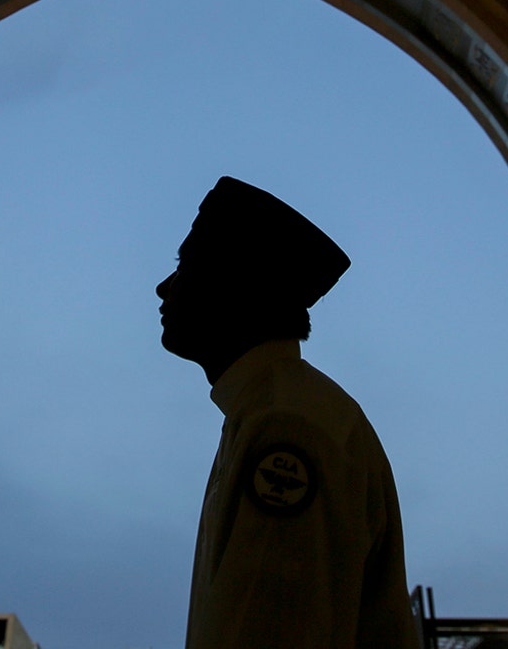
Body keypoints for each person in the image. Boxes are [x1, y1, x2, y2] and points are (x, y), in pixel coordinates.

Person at [157, 176, 422, 649]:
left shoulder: (288, 424)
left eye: (185, 266)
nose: (164, 287)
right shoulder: (276, 410)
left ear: (232, 285)